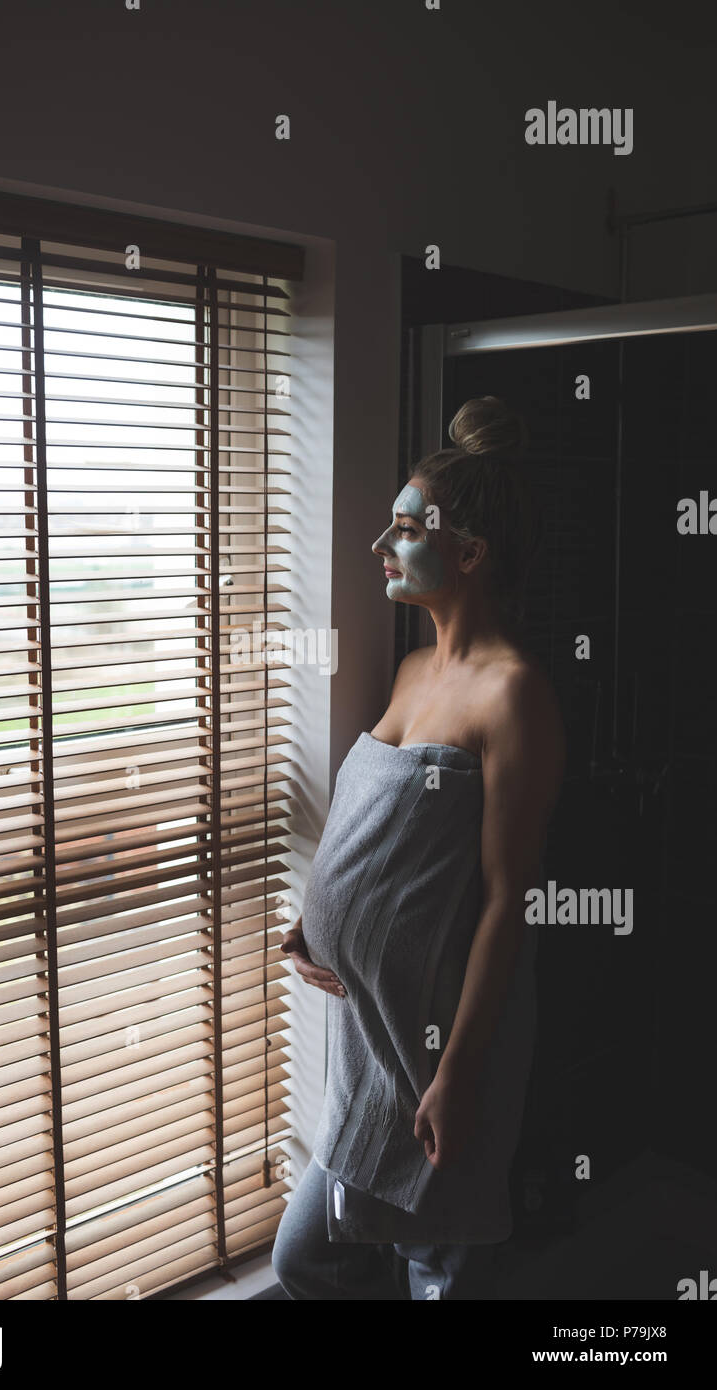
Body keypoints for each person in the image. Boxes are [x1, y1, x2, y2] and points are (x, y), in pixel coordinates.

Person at [271, 395, 566, 1300]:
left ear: (467, 554)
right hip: (370, 1037)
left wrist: (459, 1073)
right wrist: (318, 932)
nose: (381, 546)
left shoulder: (513, 696)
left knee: (438, 1269)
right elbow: (380, 834)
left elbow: (507, 898)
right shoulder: (409, 670)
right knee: (305, 1257)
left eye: (404, 529)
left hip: (437, 1046)